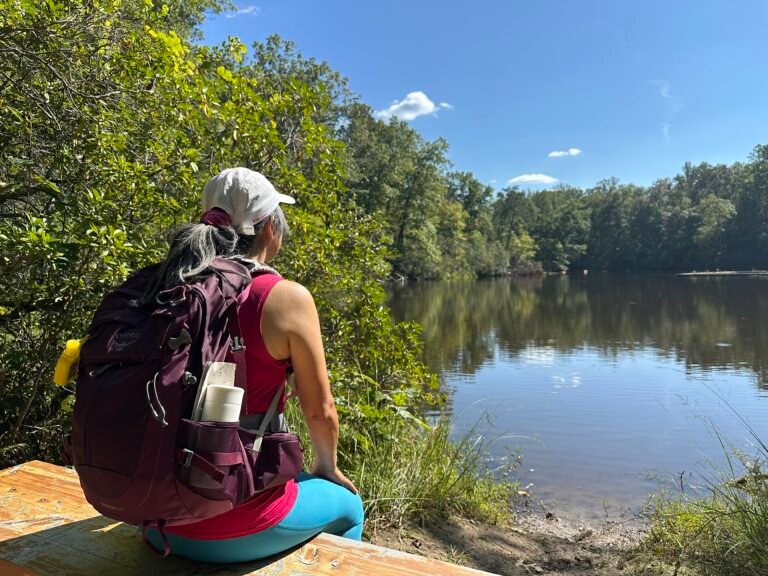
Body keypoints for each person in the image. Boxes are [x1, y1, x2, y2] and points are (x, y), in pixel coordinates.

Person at [146, 167, 363, 562]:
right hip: (231, 524)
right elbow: (321, 411)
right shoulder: (284, 298)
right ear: (269, 229)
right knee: (349, 506)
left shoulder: (168, 284)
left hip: (151, 515)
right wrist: (326, 467)